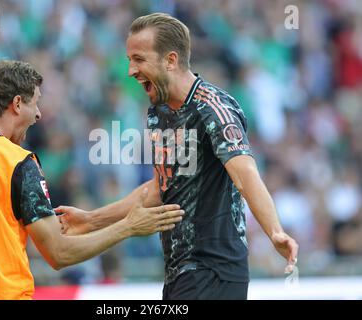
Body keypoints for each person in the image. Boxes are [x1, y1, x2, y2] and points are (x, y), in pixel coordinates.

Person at [57, 13, 298, 300]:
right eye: (129, 59)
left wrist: (274, 232)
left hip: (215, 272)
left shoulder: (213, 108)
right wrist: (91, 220)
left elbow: (245, 174)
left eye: (139, 59)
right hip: (180, 273)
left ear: (170, 60)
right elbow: (162, 188)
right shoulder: (160, 113)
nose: (131, 70)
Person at [0, 60, 184, 300]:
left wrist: (91, 220)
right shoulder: (17, 162)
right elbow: (59, 254)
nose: (38, 114)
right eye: (35, 103)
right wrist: (128, 227)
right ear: (16, 104)